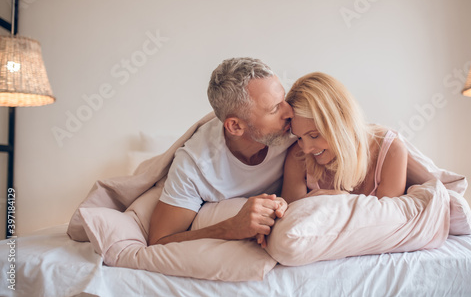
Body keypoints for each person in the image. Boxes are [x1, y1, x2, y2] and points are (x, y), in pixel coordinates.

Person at [148, 57, 296, 247]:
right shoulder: (195, 166)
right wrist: (232, 228)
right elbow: (159, 241)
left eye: (283, 99)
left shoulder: (296, 130)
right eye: (275, 109)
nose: (290, 112)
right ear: (235, 126)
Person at [281, 72, 408, 203]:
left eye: (314, 135)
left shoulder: (391, 152)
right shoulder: (298, 156)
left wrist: (344, 202)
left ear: (341, 123)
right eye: (299, 138)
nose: (306, 149)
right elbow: (291, 219)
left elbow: (388, 221)